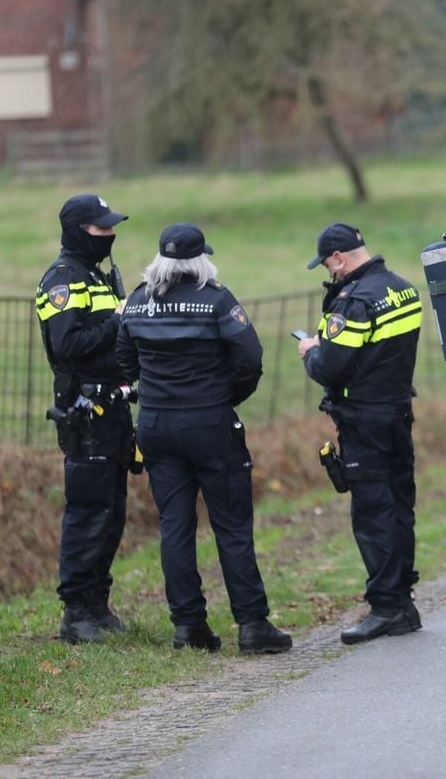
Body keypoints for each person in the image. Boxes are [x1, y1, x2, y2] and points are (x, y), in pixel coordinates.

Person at [116, 224, 291, 654]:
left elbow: (123, 359)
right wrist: (225, 396)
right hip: (210, 424)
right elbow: (250, 358)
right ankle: (252, 626)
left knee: (175, 526)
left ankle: (188, 627)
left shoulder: (137, 301)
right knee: (231, 525)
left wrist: (159, 389)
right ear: (200, 261)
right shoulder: (216, 299)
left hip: (156, 425)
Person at [298, 222, 423, 646]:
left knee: (373, 513)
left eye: (329, 266)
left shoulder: (354, 303)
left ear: (338, 258)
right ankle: (403, 600)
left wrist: (311, 352)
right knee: (400, 505)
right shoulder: (402, 288)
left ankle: (387, 607)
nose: (331, 274)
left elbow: (331, 368)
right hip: (397, 412)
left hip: (362, 420)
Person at [35, 193, 133, 644]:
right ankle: (76, 613)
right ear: (78, 231)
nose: (110, 234)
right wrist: (119, 319)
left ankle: (98, 604)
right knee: (89, 510)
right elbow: (67, 345)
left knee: (112, 511)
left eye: (111, 227)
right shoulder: (62, 280)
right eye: (101, 228)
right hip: (84, 410)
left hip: (112, 406)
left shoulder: (97, 275)